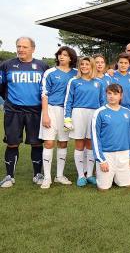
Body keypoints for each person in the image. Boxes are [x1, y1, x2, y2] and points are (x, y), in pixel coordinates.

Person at [0, 37, 49, 188]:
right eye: (18, 46)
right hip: (13, 111)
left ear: (33, 49)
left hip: (35, 111)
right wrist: (9, 100)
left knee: (36, 144)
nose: (21, 49)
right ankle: (9, 177)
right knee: (12, 143)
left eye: (24, 47)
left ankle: (37, 174)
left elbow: (47, 88)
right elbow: (1, 87)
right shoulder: (7, 65)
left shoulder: (42, 66)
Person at [38, 46, 78, 188]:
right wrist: (45, 115)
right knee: (49, 143)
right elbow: (44, 94)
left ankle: (59, 175)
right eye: (60, 54)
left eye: (65, 55)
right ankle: (47, 177)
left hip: (67, 113)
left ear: (71, 58)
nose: (62, 57)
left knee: (63, 143)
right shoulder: (50, 72)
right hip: (51, 110)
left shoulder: (76, 73)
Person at [64, 56, 106, 187]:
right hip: (78, 113)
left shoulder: (99, 82)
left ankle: (90, 175)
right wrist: (67, 118)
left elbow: (102, 102)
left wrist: (102, 118)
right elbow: (68, 101)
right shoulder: (74, 81)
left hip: (94, 114)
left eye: (87, 64)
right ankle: (81, 175)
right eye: (82, 64)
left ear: (91, 66)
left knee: (91, 144)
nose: (84, 67)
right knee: (79, 144)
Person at [91, 83, 130, 191]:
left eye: (115, 94)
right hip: (107, 155)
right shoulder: (99, 112)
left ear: (121, 96)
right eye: (109, 93)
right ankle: (100, 171)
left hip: (124, 154)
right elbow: (95, 138)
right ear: (106, 95)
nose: (112, 96)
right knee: (103, 188)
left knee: (126, 185)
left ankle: (116, 176)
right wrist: (101, 160)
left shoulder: (127, 112)